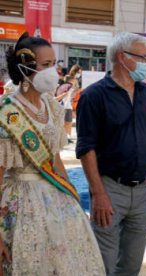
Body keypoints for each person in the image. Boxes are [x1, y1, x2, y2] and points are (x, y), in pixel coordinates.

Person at [0, 32, 105, 274]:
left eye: (54, 63)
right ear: (25, 68)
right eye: (46, 65)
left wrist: (72, 198)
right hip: (20, 201)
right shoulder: (7, 113)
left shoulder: (51, 106)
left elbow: (55, 160)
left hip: (55, 197)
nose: (54, 71)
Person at [76, 32, 146, 275]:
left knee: (131, 265)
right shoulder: (93, 97)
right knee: (104, 264)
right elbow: (86, 149)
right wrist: (98, 194)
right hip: (110, 190)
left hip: (143, 190)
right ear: (122, 58)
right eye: (143, 57)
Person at [56, 74, 78, 143]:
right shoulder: (68, 86)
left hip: (67, 106)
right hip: (65, 106)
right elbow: (64, 94)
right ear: (70, 80)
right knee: (67, 123)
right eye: (73, 79)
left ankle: (67, 137)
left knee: (68, 123)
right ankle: (65, 138)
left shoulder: (67, 86)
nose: (75, 81)